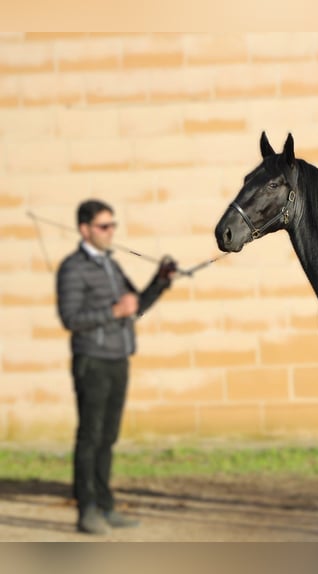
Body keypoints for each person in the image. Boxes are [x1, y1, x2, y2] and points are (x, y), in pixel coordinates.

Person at [56, 199, 177, 535]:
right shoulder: (72, 268)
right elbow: (71, 318)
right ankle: (87, 509)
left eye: (112, 226)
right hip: (92, 362)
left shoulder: (111, 265)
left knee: (108, 438)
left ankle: (106, 505)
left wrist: (160, 281)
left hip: (118, 359)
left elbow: (134, 306)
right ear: (85, 229)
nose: (110, 232)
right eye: (103, 226)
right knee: (90, 437)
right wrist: (113, 311)